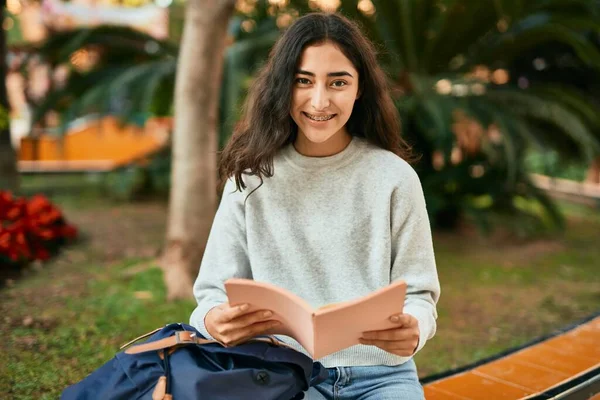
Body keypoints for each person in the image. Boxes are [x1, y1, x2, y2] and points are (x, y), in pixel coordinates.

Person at [190, 12, 440, 400]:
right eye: (303, 81)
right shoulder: (250, 180)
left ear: (360, 89)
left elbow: (420, 294)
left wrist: (416, 327)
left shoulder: (395, 177)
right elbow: (211, 294)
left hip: (383, 376)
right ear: (282, 86)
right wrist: (213, 319)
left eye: (338, 82)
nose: (320, 100)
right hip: (283, 371)